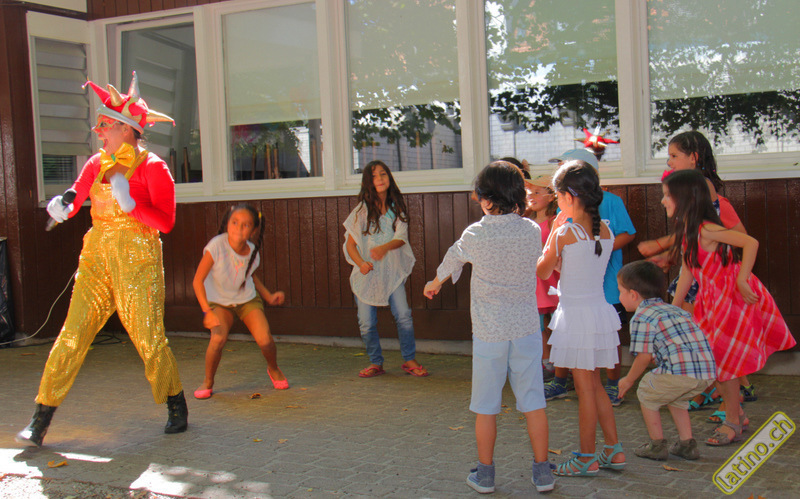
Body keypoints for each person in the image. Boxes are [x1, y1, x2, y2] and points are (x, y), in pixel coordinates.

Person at [16, 72, 187, 447]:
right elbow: (76, 195)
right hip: (97, 259)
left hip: (138, 262)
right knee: (71, 336)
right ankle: (40, 418)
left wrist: (131, 204)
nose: (99, 132)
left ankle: (175, 402)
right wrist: (62, 206)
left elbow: (166, 222)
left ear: (126, 129)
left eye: (105, 124)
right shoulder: (97, 162)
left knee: (148, 338)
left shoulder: (153, 167)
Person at [424, 161, 554, 493]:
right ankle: (543, 472)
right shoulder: (531, 231)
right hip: (526, 329)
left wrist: (434, 283)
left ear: (485, 199)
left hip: (488, 332)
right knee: (533, 401)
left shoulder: (475, 234)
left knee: (486, 406)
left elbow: (452, 259)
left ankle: (485, 475)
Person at [664, 169, 795, 446]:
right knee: (716, 362)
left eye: (667, 195)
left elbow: (750, 242)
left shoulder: (707, 229)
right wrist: (674, 309)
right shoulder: (689, 231)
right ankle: (737, 414)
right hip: (711, 302)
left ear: (686, 198)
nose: (663, 201)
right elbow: (688, 270)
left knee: (725, 362)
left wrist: (742, 278)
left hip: (730, 299)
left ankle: (733, 420)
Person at [637, 131, 752, 417]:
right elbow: (693, 239)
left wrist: (661, 245)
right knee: (704, 339)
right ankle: (716, 391)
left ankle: (728, 400)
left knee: (711, 342)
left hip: (714, 277)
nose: (669, 161)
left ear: (694, 157)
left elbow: (705, 231)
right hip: (700, 271)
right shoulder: (691, 188)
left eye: (674, 155)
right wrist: (670, 255)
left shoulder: (701, 187)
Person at [537, 160, 625, 476]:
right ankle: (613, 450)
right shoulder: (606, 230)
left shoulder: (565, 233)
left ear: (569, 196)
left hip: (576, 317)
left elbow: (542, 271)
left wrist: (552, 234)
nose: (556, 202)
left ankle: (586, 456)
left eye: (557, 196)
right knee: (596, 386)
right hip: (598, 313)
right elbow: (578, 267)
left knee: (585, 389)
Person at [544, 149, 636, 406]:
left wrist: (594, 250)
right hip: (579, 291)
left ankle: (613, 385)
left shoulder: (611, 202)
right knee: (572, 338)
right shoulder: (569, 208)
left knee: (606, 339)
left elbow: (628, 233)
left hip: (603, 288)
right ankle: (561, 380)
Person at [616, 261, 716, 461]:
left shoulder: (642, 316)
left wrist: (628, 380)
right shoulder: (675, 310)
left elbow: (643, 357)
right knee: (674, 397)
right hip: (706, 372)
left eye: (620, 292)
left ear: (633, 294)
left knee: (646, 391)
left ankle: (656, 445)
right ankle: (687, 444)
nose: (619, 297)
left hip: (680, 373)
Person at [192, 204, 288, 399]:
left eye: (246, 225)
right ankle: (208, 381)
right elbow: (197, 281)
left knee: (265, 339)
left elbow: (250, 275)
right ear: (228, 223)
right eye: (235, 222)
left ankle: (273, 368)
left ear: (253, 231)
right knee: (218, 339)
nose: (238, 228)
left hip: (246, 299)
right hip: (218, 302)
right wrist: (206, 311)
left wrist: (268, 296)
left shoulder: (252, 251)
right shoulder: (216, 246)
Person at [344, 160, 427, 378]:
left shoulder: (397, 208)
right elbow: (350, 245)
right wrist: (361, 263)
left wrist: (384, 248)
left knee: (404, 315)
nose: (379, 179)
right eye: (374, 176)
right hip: (367, 274)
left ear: (389, 177)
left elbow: (401, 238)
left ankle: (409, 359)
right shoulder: (361, 211)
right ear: (367, 182)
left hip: (392, 273)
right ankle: (375, 362)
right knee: (366, 323)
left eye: (383, 174)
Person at [524, 174, 560, 381]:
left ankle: (562, 364)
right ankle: (546, 363)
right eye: (529, 192)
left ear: (551, 196)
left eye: (537, 192)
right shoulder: (526, 222)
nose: (531, 196)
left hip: (552, 280)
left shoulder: (555, 222)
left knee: (557, 323)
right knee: (537, 325)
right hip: (533, 283)